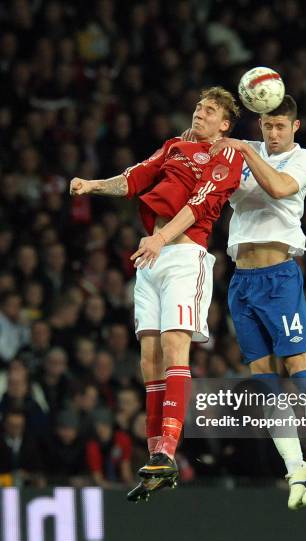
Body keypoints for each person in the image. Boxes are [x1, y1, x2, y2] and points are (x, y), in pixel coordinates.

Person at [70, 87, 243, 501]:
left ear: (225, 123)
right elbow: (134, 178)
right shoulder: (174, 147)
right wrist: (92, 185)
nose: (200, 113)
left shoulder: (228, 153)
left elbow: (201, 203)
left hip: (184, 254)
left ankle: (168, 449)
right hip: (152, 254)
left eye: (211, 110)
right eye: (199, 107)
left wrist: (161, 238)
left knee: (172, 346)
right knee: (148, 357)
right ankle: (154, 461)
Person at [208, 94, 306, 508]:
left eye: (281, 126)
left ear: (295, 127)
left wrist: (244, 148)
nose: (274, 133)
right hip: (240, 280)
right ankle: (295, 465)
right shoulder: (244, 151)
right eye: (267, 126)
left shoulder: (305, 159)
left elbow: (279, 189)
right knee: (262, 377)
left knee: (300, 369)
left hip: (279, 278)